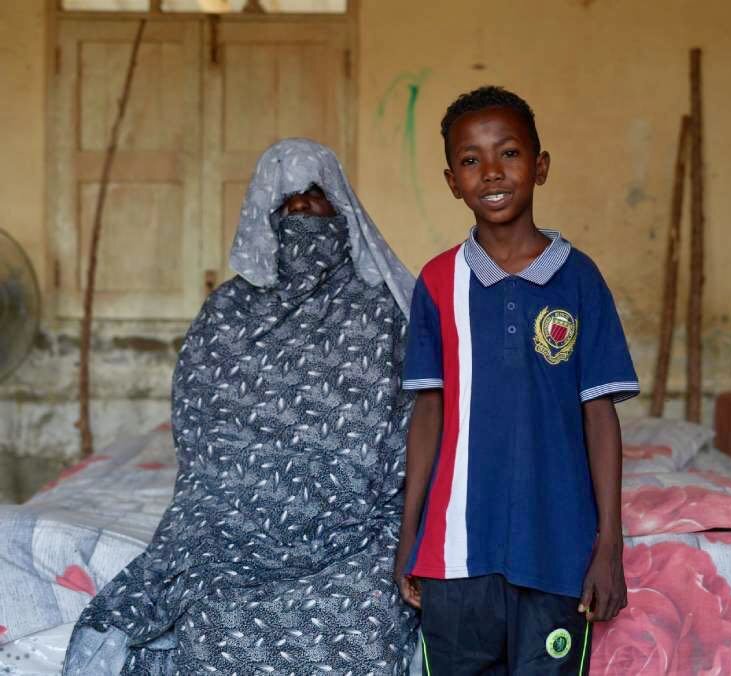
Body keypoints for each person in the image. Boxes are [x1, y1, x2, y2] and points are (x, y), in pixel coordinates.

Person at [64, 139, 420, 675]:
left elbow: (409, 425)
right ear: (263, 217)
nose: (301, 212)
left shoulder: (381, 309)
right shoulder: (229, 311)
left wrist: (350, 491)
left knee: (365, 614)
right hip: (233, 516)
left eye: (314, 197)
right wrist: (249, 490)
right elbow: (202, 426)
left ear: (342, 209)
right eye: (286, 204)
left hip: (353, 521)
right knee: (206, 605)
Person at [394, 86, 639, 675]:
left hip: (557, 549)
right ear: (453, 180)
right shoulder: (436, 282)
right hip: (455, 553)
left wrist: (609, 544)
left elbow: (599, 414)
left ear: (541, 165)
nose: (492, 172)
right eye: (472, 160)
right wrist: (411, 536)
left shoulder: (579, 280)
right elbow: (429, 413)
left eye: (509, 153)